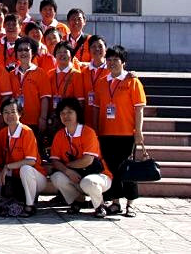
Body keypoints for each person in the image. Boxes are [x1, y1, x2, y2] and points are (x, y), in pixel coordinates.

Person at [93, 45, 146, 218]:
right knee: (111, 169)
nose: (112, 63)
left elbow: (139, 108)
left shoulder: (132, 81)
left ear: (123, 62)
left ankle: (131, 204)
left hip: (127, 133)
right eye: (109, 60)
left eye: (116, 59)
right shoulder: (102, 82)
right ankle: (115, 202)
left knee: (128, 169)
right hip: (106, 133)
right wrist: (96, 130)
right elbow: (97, 108)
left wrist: (138, 131)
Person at [50, 97, 112, 218]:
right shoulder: (59, 135)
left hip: (98, 175)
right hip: (75, 175)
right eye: (62, 113)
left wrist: (67, 166)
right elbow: (55, 161)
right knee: (56, 177)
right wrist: (67, 171)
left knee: (88, 182)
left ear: (77, 113)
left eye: (70, 112)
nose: (66, 116)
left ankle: (99, 205)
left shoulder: (88, 132)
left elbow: (87, 161)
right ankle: (78, 200)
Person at [0, 97, 47, 217]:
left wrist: (8, 166)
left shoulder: (27, 132)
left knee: (25, 169)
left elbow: (31, 161)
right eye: (6, 112)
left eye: (13, 112)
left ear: (20, 113)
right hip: (14, 178)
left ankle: (30, 205)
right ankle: (14, 201)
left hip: (36, 177)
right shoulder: (2, 133)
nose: (9, 115)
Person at [9, 37, 50, 135]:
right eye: (20, 50)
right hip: (15, 121)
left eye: (26, 50)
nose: (23, 52)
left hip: (34, 121)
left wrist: (43, 118)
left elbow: (45, 98)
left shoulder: (40, 73)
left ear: (33, 52)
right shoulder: (11, 74)